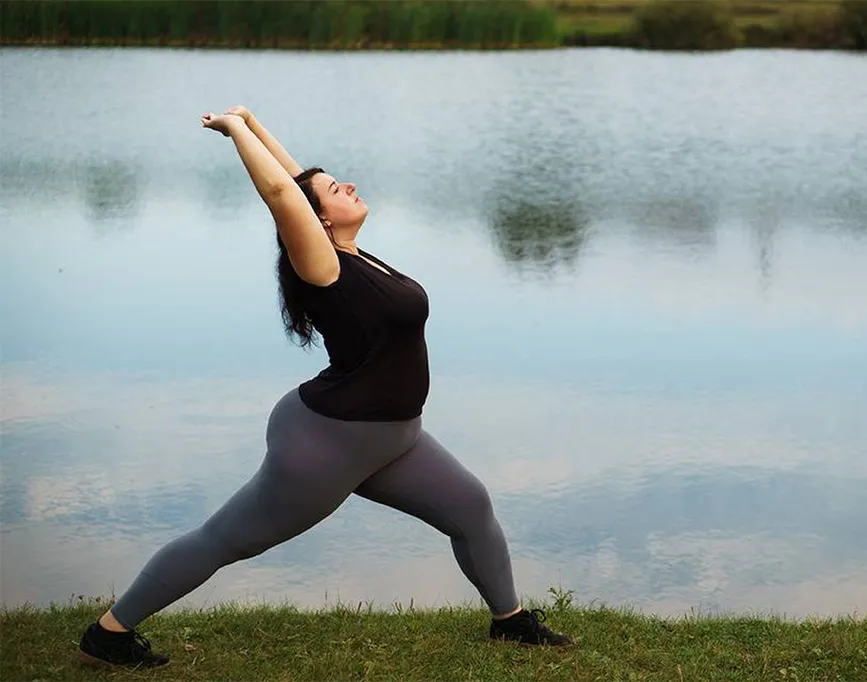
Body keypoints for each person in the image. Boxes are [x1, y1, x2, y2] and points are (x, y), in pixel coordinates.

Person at [76, 106, 573, 669]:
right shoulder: (322, 266)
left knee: (471, 507)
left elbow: (297, 183)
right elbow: (287, 198)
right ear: (321, 222)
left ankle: (509, 622)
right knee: (227, 539)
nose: (350, 185)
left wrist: (254, 120)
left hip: (394, 438)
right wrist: (235, 133)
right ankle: (109, 632)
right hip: (328, 445)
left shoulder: (352, 254)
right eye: (338, 188)